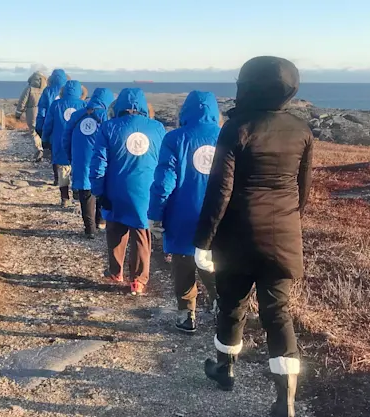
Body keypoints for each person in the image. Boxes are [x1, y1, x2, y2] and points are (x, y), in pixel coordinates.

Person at [194, 56, 313, 417]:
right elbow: (302, 192)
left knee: (232, 305)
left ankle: (225, 370)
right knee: (278, 314)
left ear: (248, 85)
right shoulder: (302, 130)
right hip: (284, 236)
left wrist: (203, 240)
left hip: (237, 237)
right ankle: (285, 400)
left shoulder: (236, 128)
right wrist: (287, 225)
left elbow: (220, 192)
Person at [148, 90, 221, 333]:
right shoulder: (227, 137)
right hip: (219, 217)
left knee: (183, 264)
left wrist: (156, 213)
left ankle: (186, 313)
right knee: (215, 262)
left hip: (181, 215)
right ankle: (221, 306)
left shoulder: (174, 139)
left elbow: (164, 183)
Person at [90, 88, 166, 295]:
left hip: (115, 188)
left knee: (115, 229)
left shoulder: (108, 128)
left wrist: (98, 191)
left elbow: (98, 163)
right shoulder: (158, 128)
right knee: (142, 233)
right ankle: (139, 280)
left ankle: (116, 272)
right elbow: (165, 162)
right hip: (146, 190)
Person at [63, 87, 114, 238]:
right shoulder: (107, 117)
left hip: (80, 158)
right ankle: (101, 221)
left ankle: (89, 229)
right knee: (102, 189)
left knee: (86, 194)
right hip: (101, 160)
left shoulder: (77, 115)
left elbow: (66, 137)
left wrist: (70, 156)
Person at [42, 80, 87, 207]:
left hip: (59, 141)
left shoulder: (56, 104)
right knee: (78, 166)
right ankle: (77, 191)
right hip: (78, 142)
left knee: (62, 170)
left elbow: (48, 123)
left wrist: (45, 138)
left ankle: (64, 197)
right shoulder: (84, 105)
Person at [35, 69, 68, 185]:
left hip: (52, 126)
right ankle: (69, 178)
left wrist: (39, 127)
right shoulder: (69, 92)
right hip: (68, 126)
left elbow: (42, 110)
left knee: (55, 152)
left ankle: (57, 178)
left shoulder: (47, 91)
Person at [15, 71, 47, 161]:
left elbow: (22, 101)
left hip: (32, 112)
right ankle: (45, 148)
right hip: (44, 112)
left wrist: (18, 113)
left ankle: (38, 149)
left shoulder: (29, 88)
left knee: (33, 131)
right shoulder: (46, 89)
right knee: (42, 130)